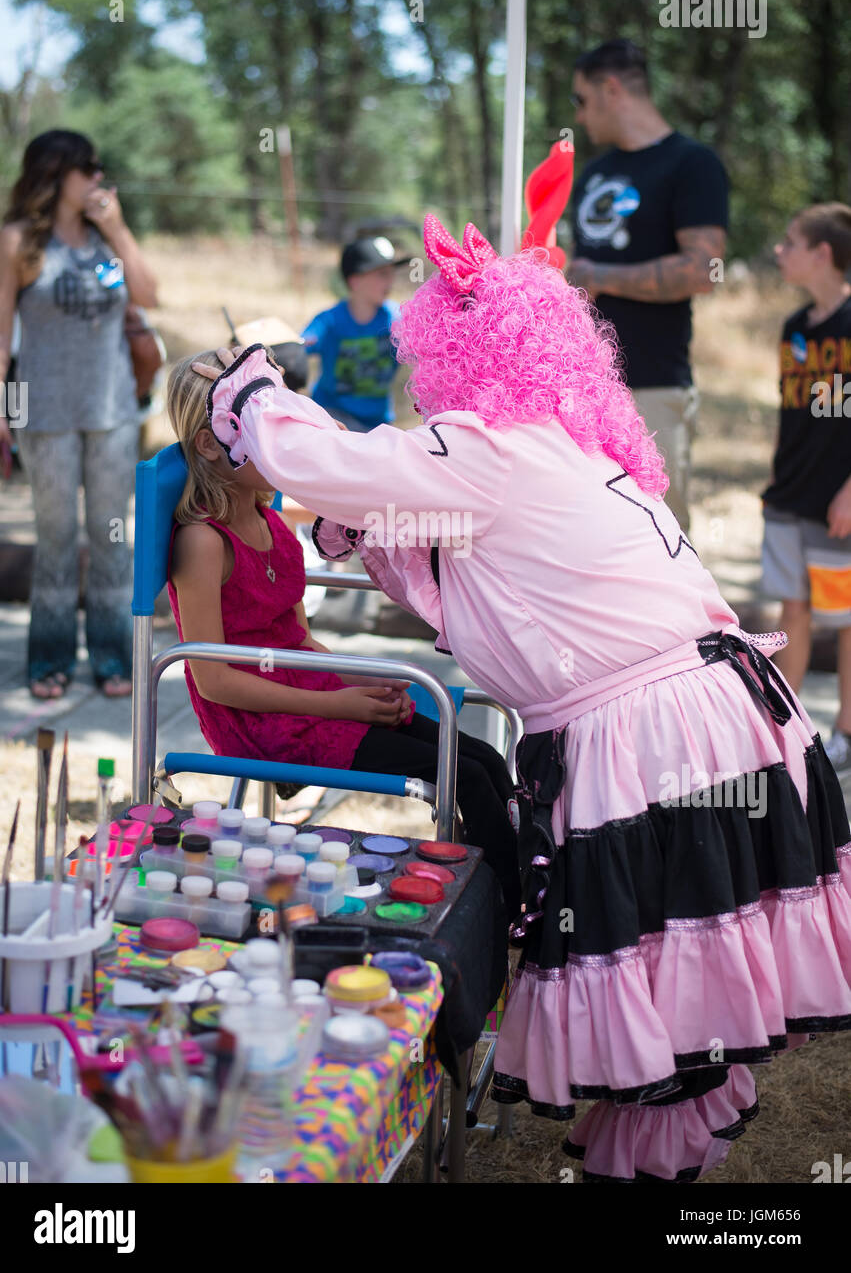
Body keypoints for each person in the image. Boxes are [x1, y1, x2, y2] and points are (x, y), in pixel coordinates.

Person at [195, 214, 851, 1183]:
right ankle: (651, 1162)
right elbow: (464, 556)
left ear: (446, 350)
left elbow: (338, 466)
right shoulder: (558, 447)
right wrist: (357, 516)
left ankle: (651, 1169)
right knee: (684, 995)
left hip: (660, 738)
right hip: (716, 726)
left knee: (669, 991)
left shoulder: (489, 450)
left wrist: (251, 387)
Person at [165, 351, 520, 915]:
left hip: (310, 694)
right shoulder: (203, 542)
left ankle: (524, 888)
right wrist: (341, 705)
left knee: (483, 758)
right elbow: (213, 680)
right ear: (213, 445)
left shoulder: (272, 521)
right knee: (466, 778)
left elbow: (298, 640)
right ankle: (505, 919)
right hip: (261, 723)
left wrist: (358, 679)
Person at [0, 129, 158, 698]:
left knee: (111, 537)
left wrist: (119, 229)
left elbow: (149, 296)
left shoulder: (105, 241)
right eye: (89, 168)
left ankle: (113, 659)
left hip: (112, 413)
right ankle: (48, 660)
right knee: (56, 538)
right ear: (56, 174)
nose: (98, 179)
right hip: (43, 413)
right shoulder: (17, 241)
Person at [566, 39, 729, 535]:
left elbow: (705, 269)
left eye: (581, 99)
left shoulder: (691, 163)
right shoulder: (594, 173)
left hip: (652, 386)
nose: (579, 114)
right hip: (581, 386)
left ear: (611, 89)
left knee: (661, 535)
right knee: (590, 534)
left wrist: (595, 277)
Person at [762, 203, 851, 770]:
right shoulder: (794, 327)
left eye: (790, 242)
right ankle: (787, 730)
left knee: (843, 618)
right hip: (788, 497)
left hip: (835, 504)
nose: (780, 250)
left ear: (822, 253)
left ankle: (845, 732)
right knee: (792, 608)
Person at [301, 236, 408, 432]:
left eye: (391, 274)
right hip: (332, 420)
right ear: (355, 281)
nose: (390, 281)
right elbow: (299, 347)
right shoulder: (329, 322)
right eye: (382, 274)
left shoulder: (397, 320)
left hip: (379, 424)